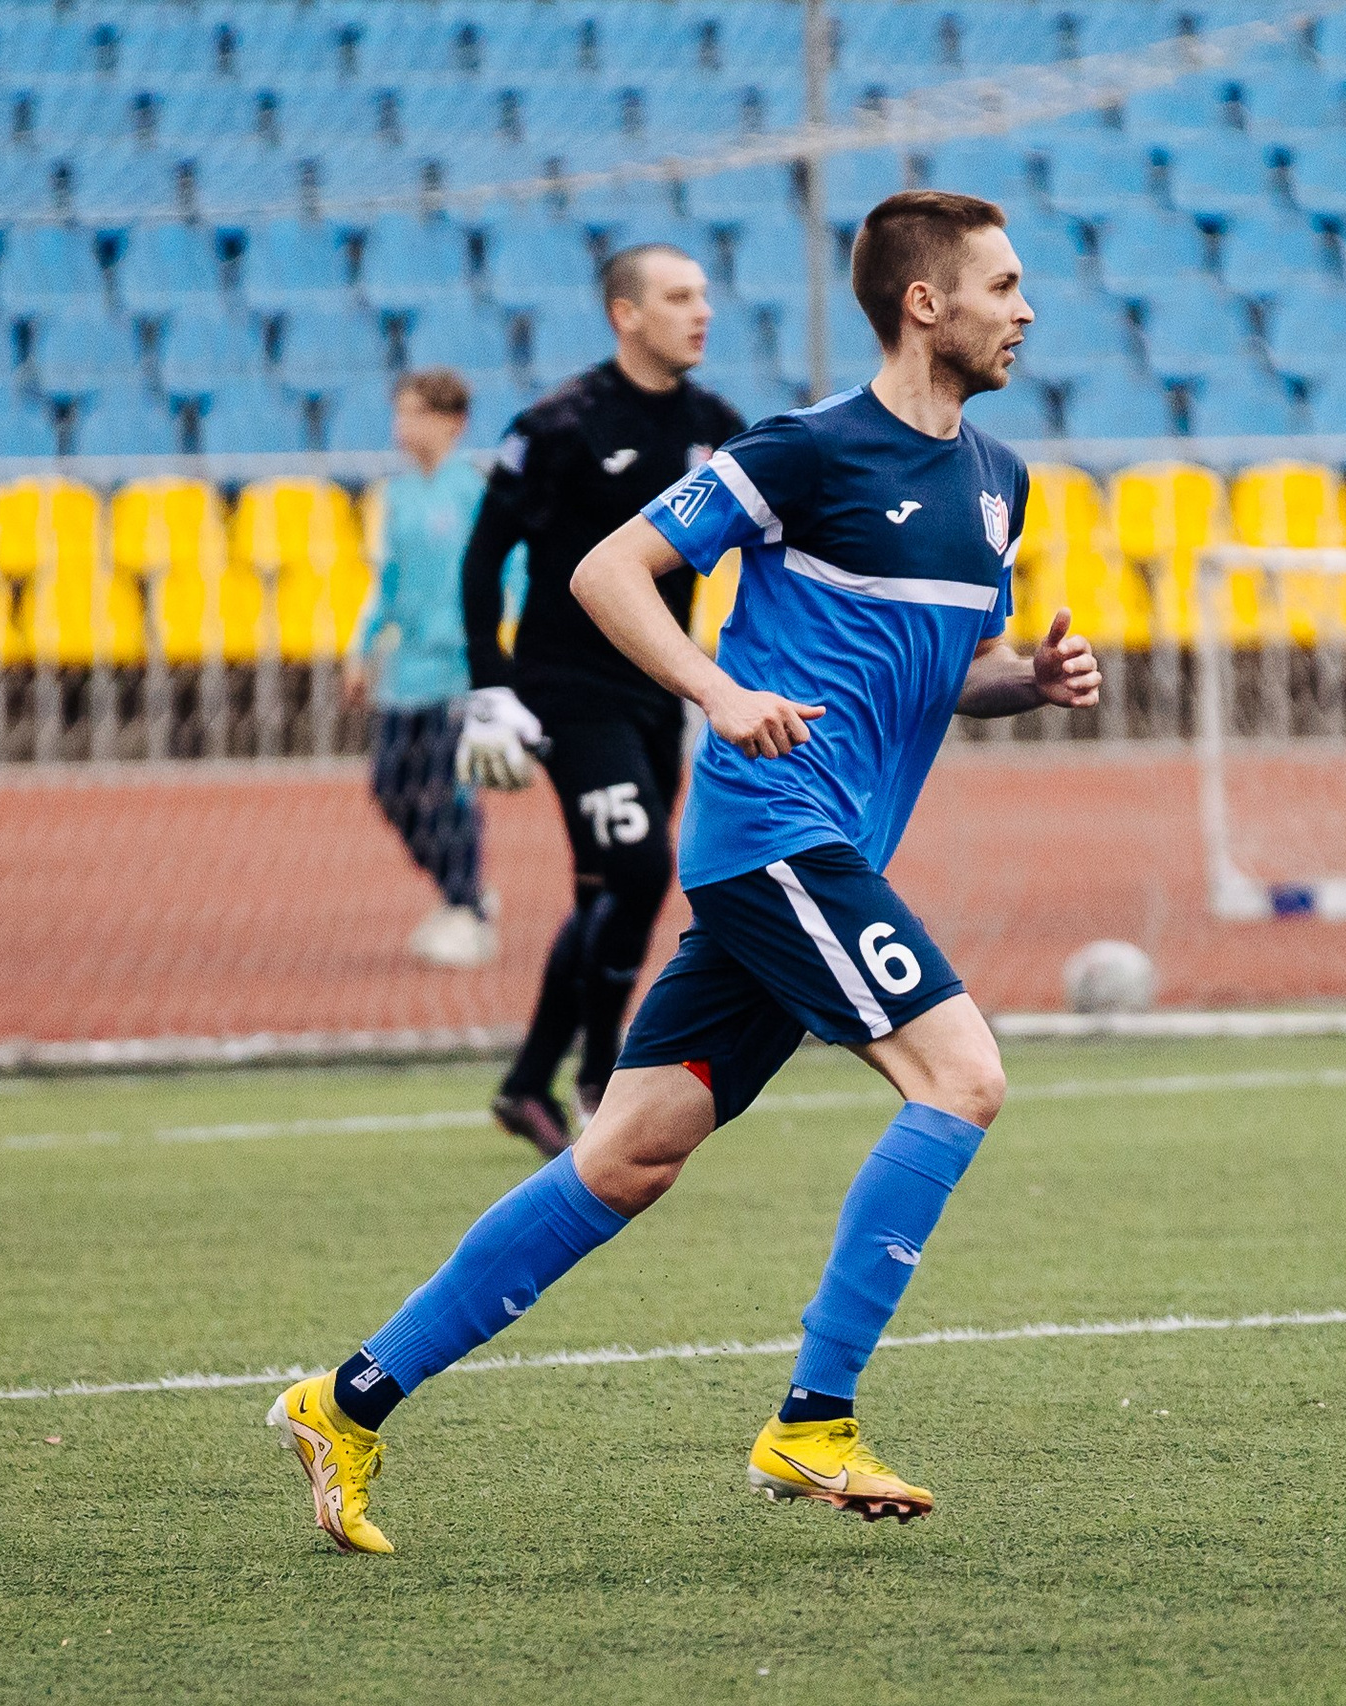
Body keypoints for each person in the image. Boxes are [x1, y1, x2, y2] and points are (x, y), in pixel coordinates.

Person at [270, 190, 1099, 1551]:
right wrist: (717, 690)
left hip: (817, 854)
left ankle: (343, 1401)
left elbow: (951, 670)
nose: (1026, 309)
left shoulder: (1000, 480)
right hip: (774, 832)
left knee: (629, 1153)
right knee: (962, 1076)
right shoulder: (805, 449)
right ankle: (814, 1419)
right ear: (924, 304)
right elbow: (607, 571)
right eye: (1002, 285)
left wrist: (1032, 679)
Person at [454, 243, 748, 1158]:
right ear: (627, 314)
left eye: (703, 295)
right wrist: (490, 687)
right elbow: (483, 558)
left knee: (606, 892)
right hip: (569, 695)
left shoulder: (716, 426)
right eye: (679, 297)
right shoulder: (559, 425)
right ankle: (599, 1073)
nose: (702, 311)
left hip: (661, 693)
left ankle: (526, 1085)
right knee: (640, 869)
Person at [343, 368, 500, 969]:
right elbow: (386, 581)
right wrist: (362, 647)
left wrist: (492, 643)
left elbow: (508, 573)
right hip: (406, 671)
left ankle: (467, 909)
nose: (402, 426)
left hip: (457, 669)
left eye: (415, 413)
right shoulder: (398, 495)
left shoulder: (475, 492)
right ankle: (462, 892)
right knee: (390, 786)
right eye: (399, 413)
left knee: (448, 789)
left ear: (452, 422)